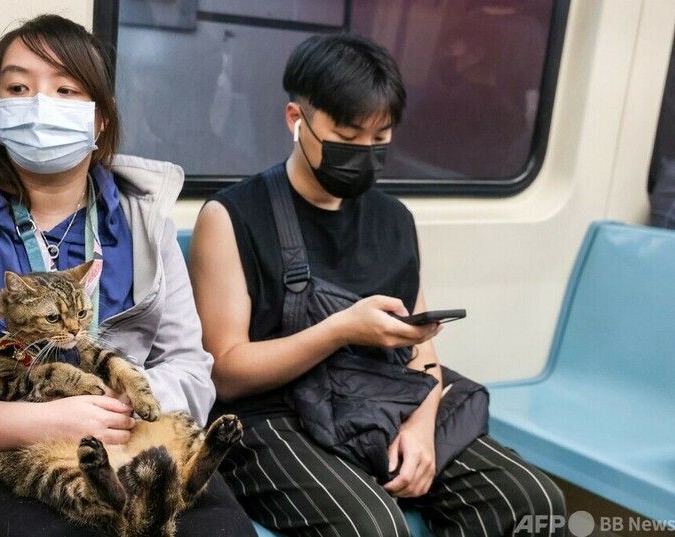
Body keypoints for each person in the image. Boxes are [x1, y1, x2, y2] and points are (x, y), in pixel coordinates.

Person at [190, 33, 565, 536]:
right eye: (347, 137)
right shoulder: (231, 216)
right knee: (372, 527)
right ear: (296, 120)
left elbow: (421, 348)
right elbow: (226, 373)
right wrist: (339, 330)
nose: (364, 153)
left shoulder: (395, 220)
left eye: (380, 139)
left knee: (530, 500)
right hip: (271, 416)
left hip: (375, 398)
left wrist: (422, 426)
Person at [0, 14, 256, 537]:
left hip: (137, 435)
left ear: (100, 121)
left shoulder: (145, 221)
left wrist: (114, 410)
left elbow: (188, 367)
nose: (41, 104)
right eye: (19, 88)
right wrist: (41, 421)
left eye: (66, 89)